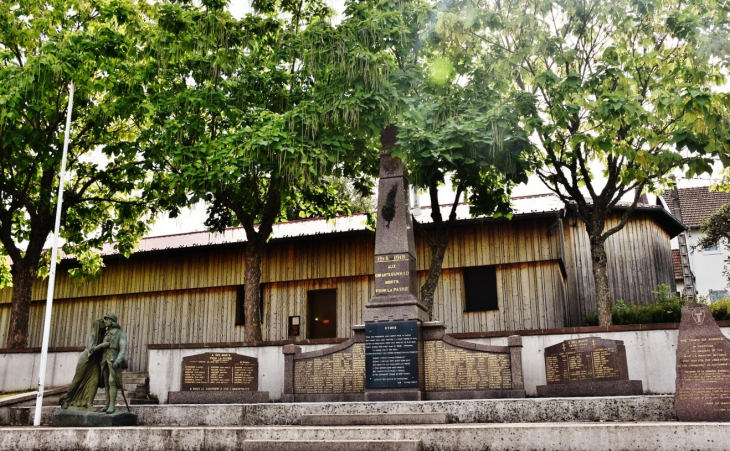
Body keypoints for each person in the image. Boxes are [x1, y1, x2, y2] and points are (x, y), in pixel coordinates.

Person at [58, 318, 106, 410]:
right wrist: (102, 345)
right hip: (86, 360)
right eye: (102, 322)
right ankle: (67, 400)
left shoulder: (103, 336)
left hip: (95, 363)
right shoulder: (92, 336)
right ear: (98, 325)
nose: (104, 323)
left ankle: (88, 404)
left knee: (95, 382)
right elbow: (90, 349)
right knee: (77, 381)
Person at [100, 312, 128, 414]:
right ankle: (107, 404)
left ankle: (112, 405)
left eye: (107, 319)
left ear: (112, 322)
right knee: (106, 383)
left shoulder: (120, 333)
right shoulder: (105, 333)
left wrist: (118, 361)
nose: (105, 321)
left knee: (112, 382)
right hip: (104, 360)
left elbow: (123, 349)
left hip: (114, 360)